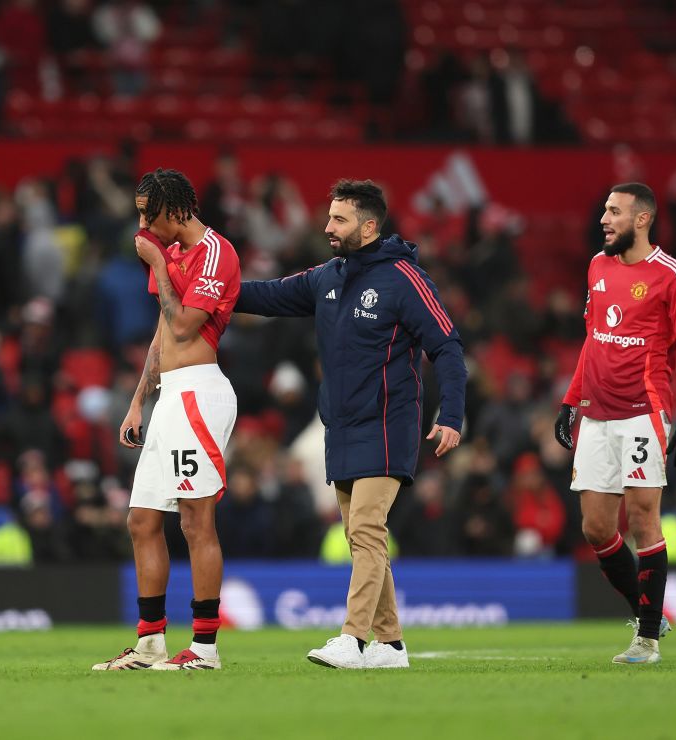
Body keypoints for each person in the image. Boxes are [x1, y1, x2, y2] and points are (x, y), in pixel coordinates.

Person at [234, 179, 467, 669]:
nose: (328, 227)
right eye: (329, 217)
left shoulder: (404, 278)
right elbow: (269, 296)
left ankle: (352, 637)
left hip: (388, 423)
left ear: (368, 225)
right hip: (340, 427)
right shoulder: (328, 276)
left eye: (339, 219)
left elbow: (446, 346)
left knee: (365, 528)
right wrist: (210, 289)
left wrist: (451, 415)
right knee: (363, 538)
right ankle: (391, 644)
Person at [92, 169, 240, 671]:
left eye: (146, 212)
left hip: (202, 392)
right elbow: (162, 334)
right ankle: (150, 642)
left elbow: (184, 323)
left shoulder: (215, 253)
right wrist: (139, 400)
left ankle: (204, 649)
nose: (141, 223)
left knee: (196, 519)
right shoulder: (173, 254)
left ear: (175, 210)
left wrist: (156, 262)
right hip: (170, 398)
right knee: (141, 519)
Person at [555, 182, 676, 665]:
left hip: (643, 412)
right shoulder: (597, 266)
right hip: (596, 415)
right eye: (604, 210)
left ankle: (647, 640)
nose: (605, 219)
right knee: (597, 529)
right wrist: (570, 399)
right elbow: (593, 338)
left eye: (615, 212)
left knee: (642, 517)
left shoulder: (670, 275)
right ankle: (648, 611)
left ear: (642, 220)